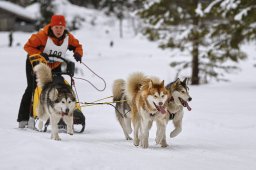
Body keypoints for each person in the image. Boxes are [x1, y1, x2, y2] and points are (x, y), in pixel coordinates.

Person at [17, 15, 83, 128]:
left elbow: (77, 45)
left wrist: (78, 53)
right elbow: (27, 46)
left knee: (58, 87)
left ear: (64, 28)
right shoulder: (42, 36)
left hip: (54, 65)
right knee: (33, 88)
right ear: (51, 27)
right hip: (36, 64)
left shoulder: (68, 37)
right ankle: (24, 118)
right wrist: (39, 54)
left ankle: (61, 114)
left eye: (61, 28)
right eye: (56, 27)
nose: (59, 30)